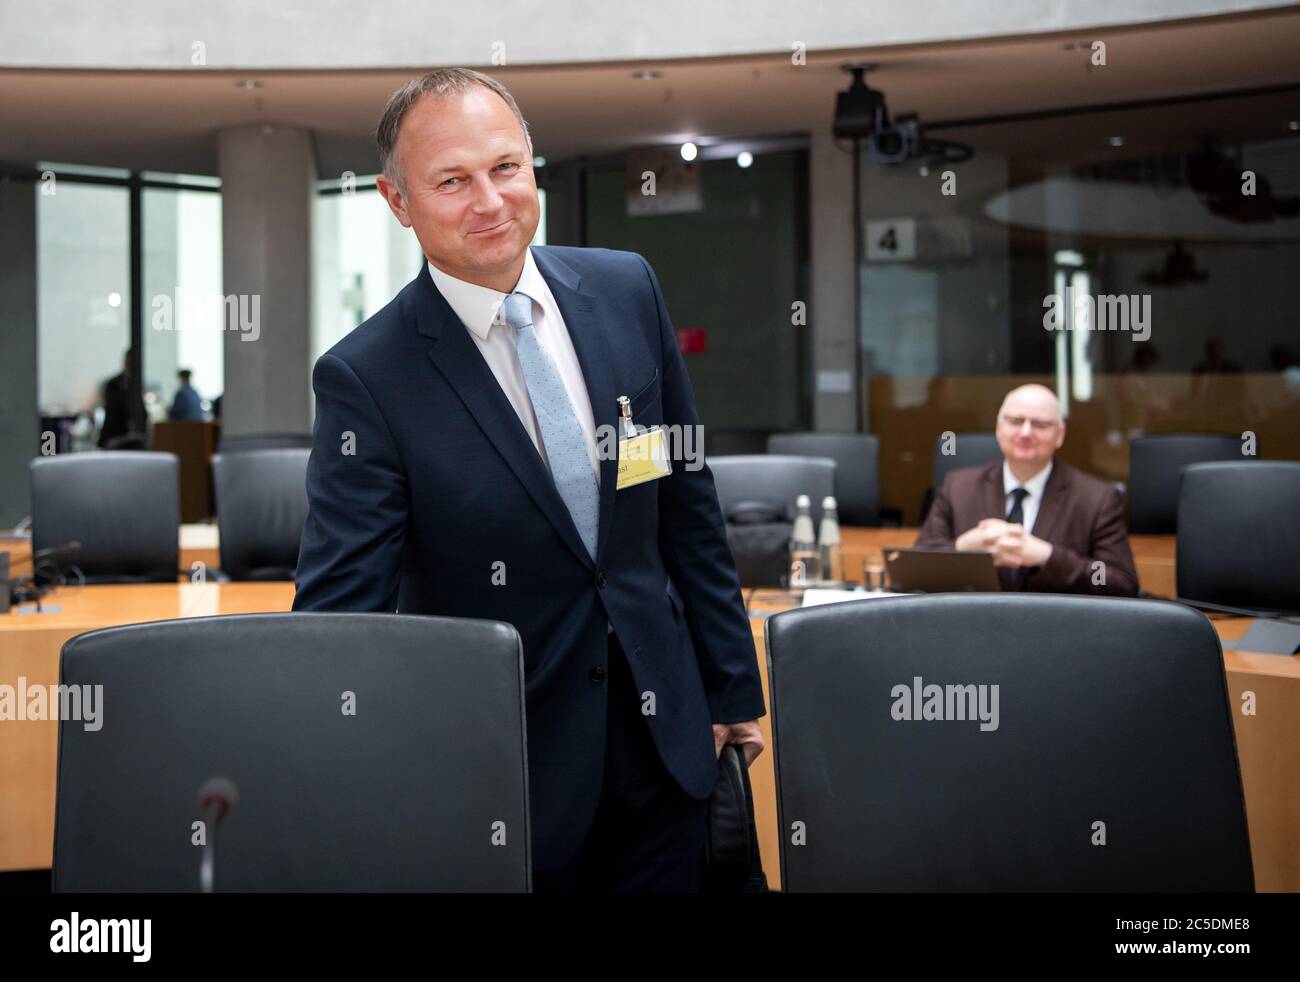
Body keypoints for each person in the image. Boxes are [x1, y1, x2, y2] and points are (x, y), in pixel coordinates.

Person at [292, 69, 766, 892]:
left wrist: (731, 685)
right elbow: (342, 617)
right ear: (397, 201)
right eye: (451, 181)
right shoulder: (367, 378)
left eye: (506, 167)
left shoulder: (626, 290)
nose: (490, 201)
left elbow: (685, 502)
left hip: (669, 743)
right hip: (502, 774)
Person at [916, 383, 1138, 596]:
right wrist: (965, 547)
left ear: (1060, 435)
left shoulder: (1097, 498)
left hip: (1057, 627)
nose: (1025, 432)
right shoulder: (958, 487)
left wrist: (1048, 557)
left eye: (1040, 424)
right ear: (998, 427)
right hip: (971, 626)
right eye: (1015, 421)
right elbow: (916, 570)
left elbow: (1121, 583)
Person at [98, 349, 145, 448]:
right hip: (115, 436)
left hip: (129, 438)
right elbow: (113, 413)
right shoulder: (114, 384)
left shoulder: (135, 385)